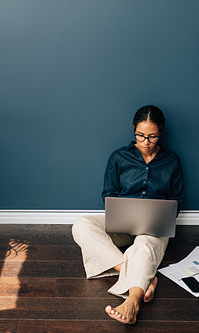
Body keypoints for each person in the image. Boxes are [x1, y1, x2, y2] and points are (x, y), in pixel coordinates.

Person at [72, 105, 184, 324]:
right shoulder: (118, 157)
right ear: (134, 130)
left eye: (152, 137)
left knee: (144, 245)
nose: (145, 142)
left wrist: (161, 215)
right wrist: (121, 212)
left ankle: (132, 301)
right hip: (122, 224)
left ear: (160, 133)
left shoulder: (172, 161)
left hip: (154, 226)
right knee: (82, 225)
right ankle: (140, 276)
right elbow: (108, 194)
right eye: (140, 135)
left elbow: (178, 199)